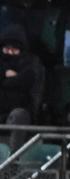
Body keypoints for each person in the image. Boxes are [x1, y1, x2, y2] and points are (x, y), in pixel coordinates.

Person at [0, 23, 38, 152]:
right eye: (6, 49)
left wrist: (4, 81)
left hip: (17, 113)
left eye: (14, 50)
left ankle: (13, 163)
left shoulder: (30, 64)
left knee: (19, 115)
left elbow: (26, 80)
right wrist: (5, 75)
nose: (10, 53)